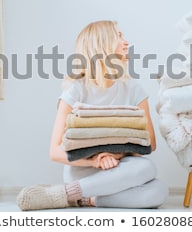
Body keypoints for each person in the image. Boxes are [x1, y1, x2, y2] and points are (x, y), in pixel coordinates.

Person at [16, 20, 168, 210]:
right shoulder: (75, 91)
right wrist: (96, 160)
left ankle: (81, 198)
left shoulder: (134, 89)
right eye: (119, 36)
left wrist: (114, 153)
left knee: (156, 186)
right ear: (102, 45)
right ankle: (72, 192)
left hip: (120, 167)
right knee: (146, 172)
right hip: (84, 170)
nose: (126, 42)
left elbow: (149, 143)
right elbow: (55, 152)